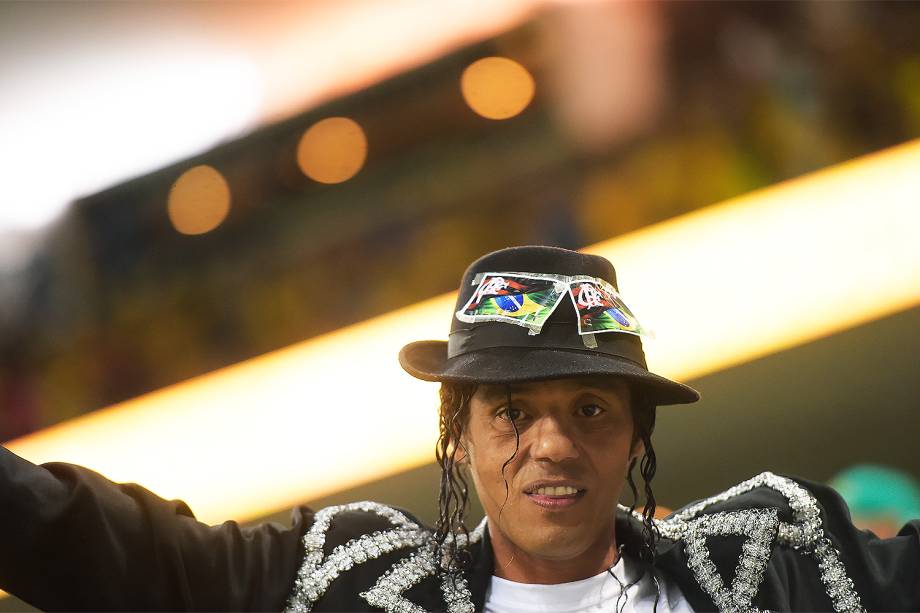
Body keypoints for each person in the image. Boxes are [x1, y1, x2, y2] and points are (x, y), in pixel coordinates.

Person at [1, 245, 918, 612]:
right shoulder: (349, 585)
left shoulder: (773, 564)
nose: (553, 445)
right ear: (461, 436)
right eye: (512, 411)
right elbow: (112, 549)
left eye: (589, 409)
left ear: (637, 436)